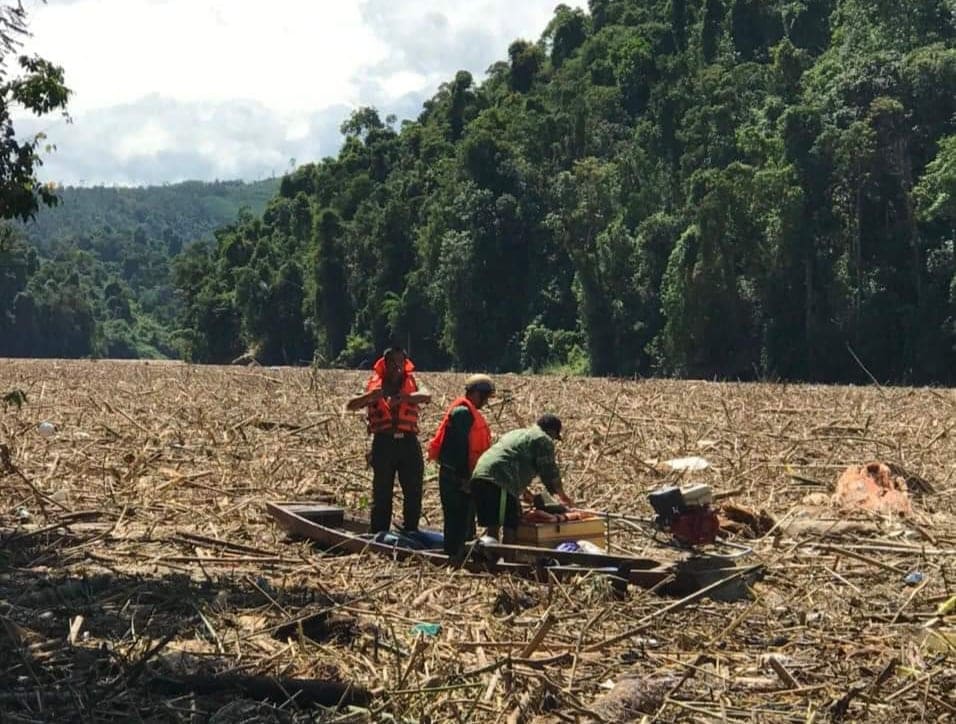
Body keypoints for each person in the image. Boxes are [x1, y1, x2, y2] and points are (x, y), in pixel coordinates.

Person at [346, 346, 431, 533]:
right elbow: (350, 405)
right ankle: (379, 532)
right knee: (382, 491)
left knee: (413, 490)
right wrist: (369, 396)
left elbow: (427, 395)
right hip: (384, 443)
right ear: (385, 364)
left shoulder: (412, 382)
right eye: (393, 362)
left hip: (408, 442)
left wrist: (405, 398)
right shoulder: (373, 384)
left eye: (400, 362)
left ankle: (411, 530)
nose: (397, 367)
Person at [470, 414, 573, 544]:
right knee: (510, 524)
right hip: (498, 480)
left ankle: (492, 560)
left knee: (495, 522)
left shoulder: (517, 433)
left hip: (480, 476)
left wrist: (526, 493)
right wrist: (563, 497)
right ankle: (509, 560)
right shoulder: (543, 439)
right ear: (552, 431)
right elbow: (550, 473)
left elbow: (511, 461)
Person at [426, 374, 496, 559]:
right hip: (455, 478)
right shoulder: (462, 414)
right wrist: (463, 478)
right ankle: (453, 558)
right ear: (474, 393)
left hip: (465, 476)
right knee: (455, 520)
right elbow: (457, 448)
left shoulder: (470, 412)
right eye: (485, 397)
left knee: (466, 520)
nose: (486, 401)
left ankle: (463, 555)